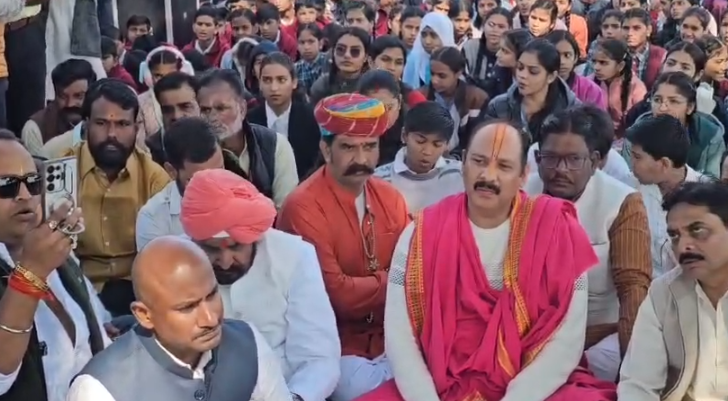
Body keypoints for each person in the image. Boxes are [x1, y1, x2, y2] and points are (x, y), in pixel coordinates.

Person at [357, 120, 617, 401]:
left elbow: (567, 340)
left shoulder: (557, 230)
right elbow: (400, 336)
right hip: (436, 384)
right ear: (463, 163)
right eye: (479, 161)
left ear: (523, 175)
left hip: (533, 386)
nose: (488, 176)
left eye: (503, 166)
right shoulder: (421, 233)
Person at [277, 93, 410, 401]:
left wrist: (387, 282)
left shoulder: (390, 198)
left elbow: (417, 272)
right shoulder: (303, 207)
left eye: (370, 147)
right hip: (335, 345)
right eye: (349, 147)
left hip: (392, 336)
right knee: (359, 388)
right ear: (326, 150)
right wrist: (394, 280)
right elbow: (338, 296)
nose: (362, 159)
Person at [180, 168, 341, 401]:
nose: (225, 262)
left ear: (255, 236)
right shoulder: (177, 263)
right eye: (211, 249)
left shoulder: (295, 256)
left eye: (236, 246)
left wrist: (295, 397)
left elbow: (318, 359)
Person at [67, 236, 292, 401]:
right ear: (144, 315)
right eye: (188, 308)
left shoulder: (249, 344)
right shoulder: (100, 389)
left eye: (212, 295)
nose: (210, 318)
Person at [523, 105, 652, 382]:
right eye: (551, 158)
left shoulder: (622, 202)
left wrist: (635, 373)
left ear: (595, 162)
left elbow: (633, 288)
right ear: (537, 157)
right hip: (528, 332)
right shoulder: (521, 194)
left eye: (573, 160)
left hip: (598, 335)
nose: (560, 170)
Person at [0, 130, 112, 401]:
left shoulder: (56, 252)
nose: (24, 195)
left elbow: (97, 330)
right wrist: (31, 273)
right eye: (6, 185)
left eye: (33, 182)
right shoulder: (42, 256)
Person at [57, 79, 170, 316]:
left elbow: (163, 255)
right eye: (101, 123)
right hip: (78, 292)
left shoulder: (154, 179)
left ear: (136, 129)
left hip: (140, 294)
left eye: (122, 124)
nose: (111, 134)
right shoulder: (61, 173)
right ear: (86, 125)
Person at [618, 181, 728, 401]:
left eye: (698, 230)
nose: (683, 246)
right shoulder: (664, 292)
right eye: (675, 235)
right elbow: (639, 383)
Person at [626, 114, 713, 277]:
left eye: (637, 157)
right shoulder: (629, 186)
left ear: (664, 164)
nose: (632, 164)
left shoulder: (708, 198)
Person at [197, 69, 299, 208]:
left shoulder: (275, 144)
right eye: (205, 110)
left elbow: (285, 209)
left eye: (221, 108)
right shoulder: (195, 153)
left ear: (242, 109)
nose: (212, 118)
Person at [136, 118, 226, 250]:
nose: (214, 187)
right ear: (171, 171)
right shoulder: (153, 218)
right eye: (200, 181)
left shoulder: (245, 198)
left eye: (219, 171)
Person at [375, 101, 464, 211]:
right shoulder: (379, 180)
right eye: (420, 141)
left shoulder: (461, 175)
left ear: (447, 145)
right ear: (404, 135)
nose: (427, 151)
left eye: (437, 144)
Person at [22, 59, 97, 157]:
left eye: (79, 96)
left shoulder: (102, 122)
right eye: (63, 96)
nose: (70, 104)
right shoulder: (34, 129)